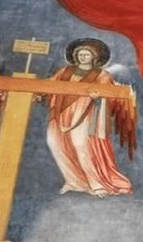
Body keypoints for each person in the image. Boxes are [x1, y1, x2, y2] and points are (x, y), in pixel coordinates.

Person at [45, 38, 133, 197]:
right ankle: (74, 182)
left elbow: (111, 96)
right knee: (55, 143)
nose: (83, 56)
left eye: (86, 54)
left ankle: (96, 183)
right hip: (61, 112)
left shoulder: (101, 75)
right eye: (80, 54)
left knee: (81, 145)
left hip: (84, 112)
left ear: (94, 57)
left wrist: (98, 97)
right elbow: (49, 85)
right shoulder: (65, 71)